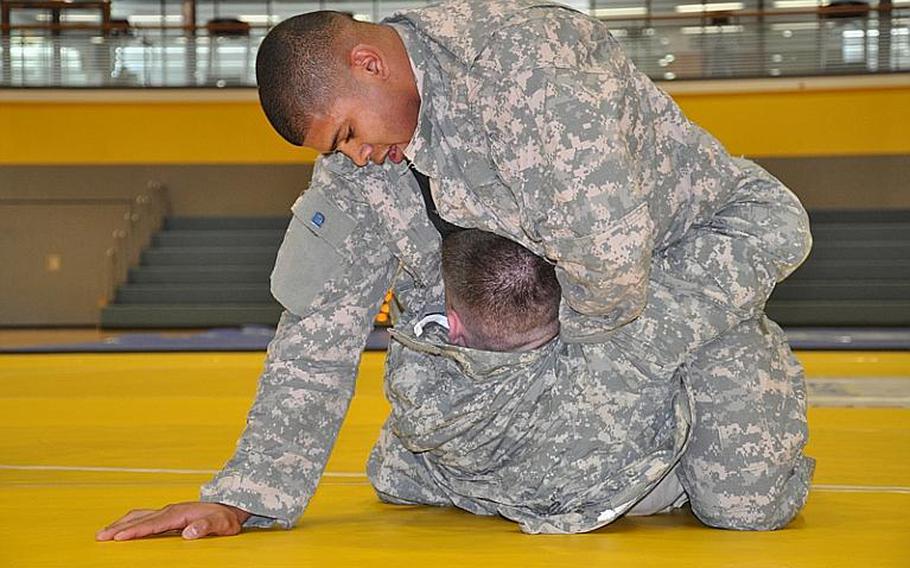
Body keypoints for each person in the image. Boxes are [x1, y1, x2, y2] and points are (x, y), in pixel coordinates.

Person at [97, 0, 813, 541]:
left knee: (742, 507)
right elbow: (317, 329)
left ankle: (713, 381)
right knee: (511, 428)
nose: (353, 157)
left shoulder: (530, 68)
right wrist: (244, 494)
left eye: (346, 133)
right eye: (334, 148)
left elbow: (611, 270)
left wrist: (577, 408)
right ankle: (544, 456)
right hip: (547, 321)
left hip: (683, 257)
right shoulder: (359, 167)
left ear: (368, 64)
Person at [367, 229, 809, 534]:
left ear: (455, 325)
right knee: (722, 331)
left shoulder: (418, 381)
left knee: (402, 468)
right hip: (638, 481)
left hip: (495, 476)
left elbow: (389, 473)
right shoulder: (630, 342)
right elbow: (752, 255)